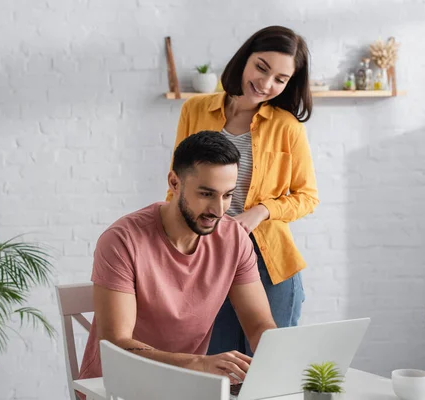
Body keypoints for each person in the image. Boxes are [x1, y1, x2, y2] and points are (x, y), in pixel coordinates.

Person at [77, 130, 277, 388]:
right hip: (116, 386)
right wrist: (198, 364)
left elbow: (259, 323)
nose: (218, 210)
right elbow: (116, 344)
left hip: (186, 387)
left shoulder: (234, 239)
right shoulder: (122, 240)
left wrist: (278, 356)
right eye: (206, 194)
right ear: (174, 183)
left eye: (227, 195)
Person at [166, 25, 319, 356]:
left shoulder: (287, 127)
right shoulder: (194, 110)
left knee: (269, 368)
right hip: (207, 256)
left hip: (269, 263)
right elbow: (177, 185)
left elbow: (307, 196)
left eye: (280, 79)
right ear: (245, 58)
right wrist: (172, 249)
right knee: (216, 366)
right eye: (262, 67)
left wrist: (259, 212)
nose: (265, 84)